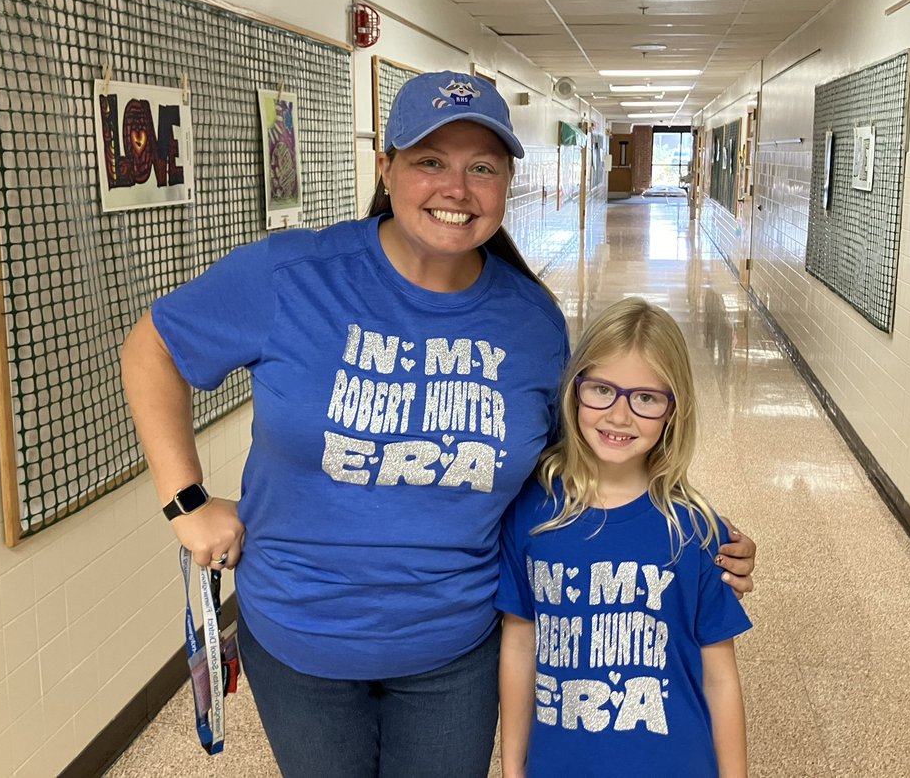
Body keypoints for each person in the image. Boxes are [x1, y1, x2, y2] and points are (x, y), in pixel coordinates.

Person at [120, 71, 756, 778]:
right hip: (301, 639)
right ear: (386, 169)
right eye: (430, 161)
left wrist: (690, 535)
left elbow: (575, 464)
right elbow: (153, 347)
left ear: (506, 183)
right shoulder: (292, 275)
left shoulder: (531, 322)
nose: (456, 188)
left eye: (481, 167)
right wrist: (186, 503)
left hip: (455, 649)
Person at [497, 297, 750, 778]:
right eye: (601, 390)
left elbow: (719, 679)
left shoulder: (694, 529)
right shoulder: (532, 512)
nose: (619, 415)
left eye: (647, 398)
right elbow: (519, 645)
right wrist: (513, 768)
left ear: (674, 411)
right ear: (574, 392)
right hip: (561, 764)